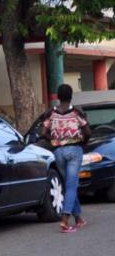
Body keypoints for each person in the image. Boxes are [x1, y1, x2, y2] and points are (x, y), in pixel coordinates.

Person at [41, 83, 92, 233]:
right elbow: (88, 132)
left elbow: (43, 132)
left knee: (70, 185)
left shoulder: (51, 113)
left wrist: (54, 139)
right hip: (74, 150)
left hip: (58, 152)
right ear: (71, 97)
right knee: (71, 185)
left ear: (58, 97)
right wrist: (83, 142)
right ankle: (64, 221)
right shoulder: (77, 112)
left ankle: (78, 219)